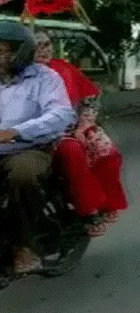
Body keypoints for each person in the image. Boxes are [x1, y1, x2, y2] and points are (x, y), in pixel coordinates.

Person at [33, 31, 128, 237]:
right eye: (38, 46)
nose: (44, 49)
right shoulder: (21, 73)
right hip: (41, 133)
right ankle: (89, 206)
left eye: (47, 44)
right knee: (72, 151)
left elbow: (90, 96)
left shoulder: (63, 68)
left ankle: (100, 207)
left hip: (72, 127)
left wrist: (85, 125)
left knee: (103, 148)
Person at [0, 21, 76, 274]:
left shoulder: (45, 77)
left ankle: (23, 246)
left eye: (1, 51)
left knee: (23, 175)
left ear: (19, 51)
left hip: (28, 149)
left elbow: (61, 114)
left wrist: (17, 131)